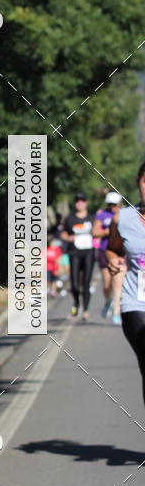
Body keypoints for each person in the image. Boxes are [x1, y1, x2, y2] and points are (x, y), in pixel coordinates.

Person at [106, 162, 145, 406]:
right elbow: (112, 249)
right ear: (138, 184)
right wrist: (112, 261)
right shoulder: (123, 218)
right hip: (136, 302)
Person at [61, 193, 95, 320]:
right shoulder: (70, 218)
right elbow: (63, 233)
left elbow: (98, 231)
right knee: (74, 284)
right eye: (77, 201)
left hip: (88, 253)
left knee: (86, 282)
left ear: (86, 203)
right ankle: (76, 302)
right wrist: (68, 238)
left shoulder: (92, 218)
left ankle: (85, 309)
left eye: (82, 200)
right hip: (74, 252)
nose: (79, 203)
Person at [93, 191, 124, 324]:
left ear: (120, 203)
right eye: (110, 204)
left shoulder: (125, 214)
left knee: (117, 282)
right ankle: (107, 302)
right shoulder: (101, 215)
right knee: (107, 284)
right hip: (104, 251)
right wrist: (110, 229)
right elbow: (95, 232)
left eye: (115, 204)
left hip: (120, 253)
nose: (112, 207)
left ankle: (116, 312)